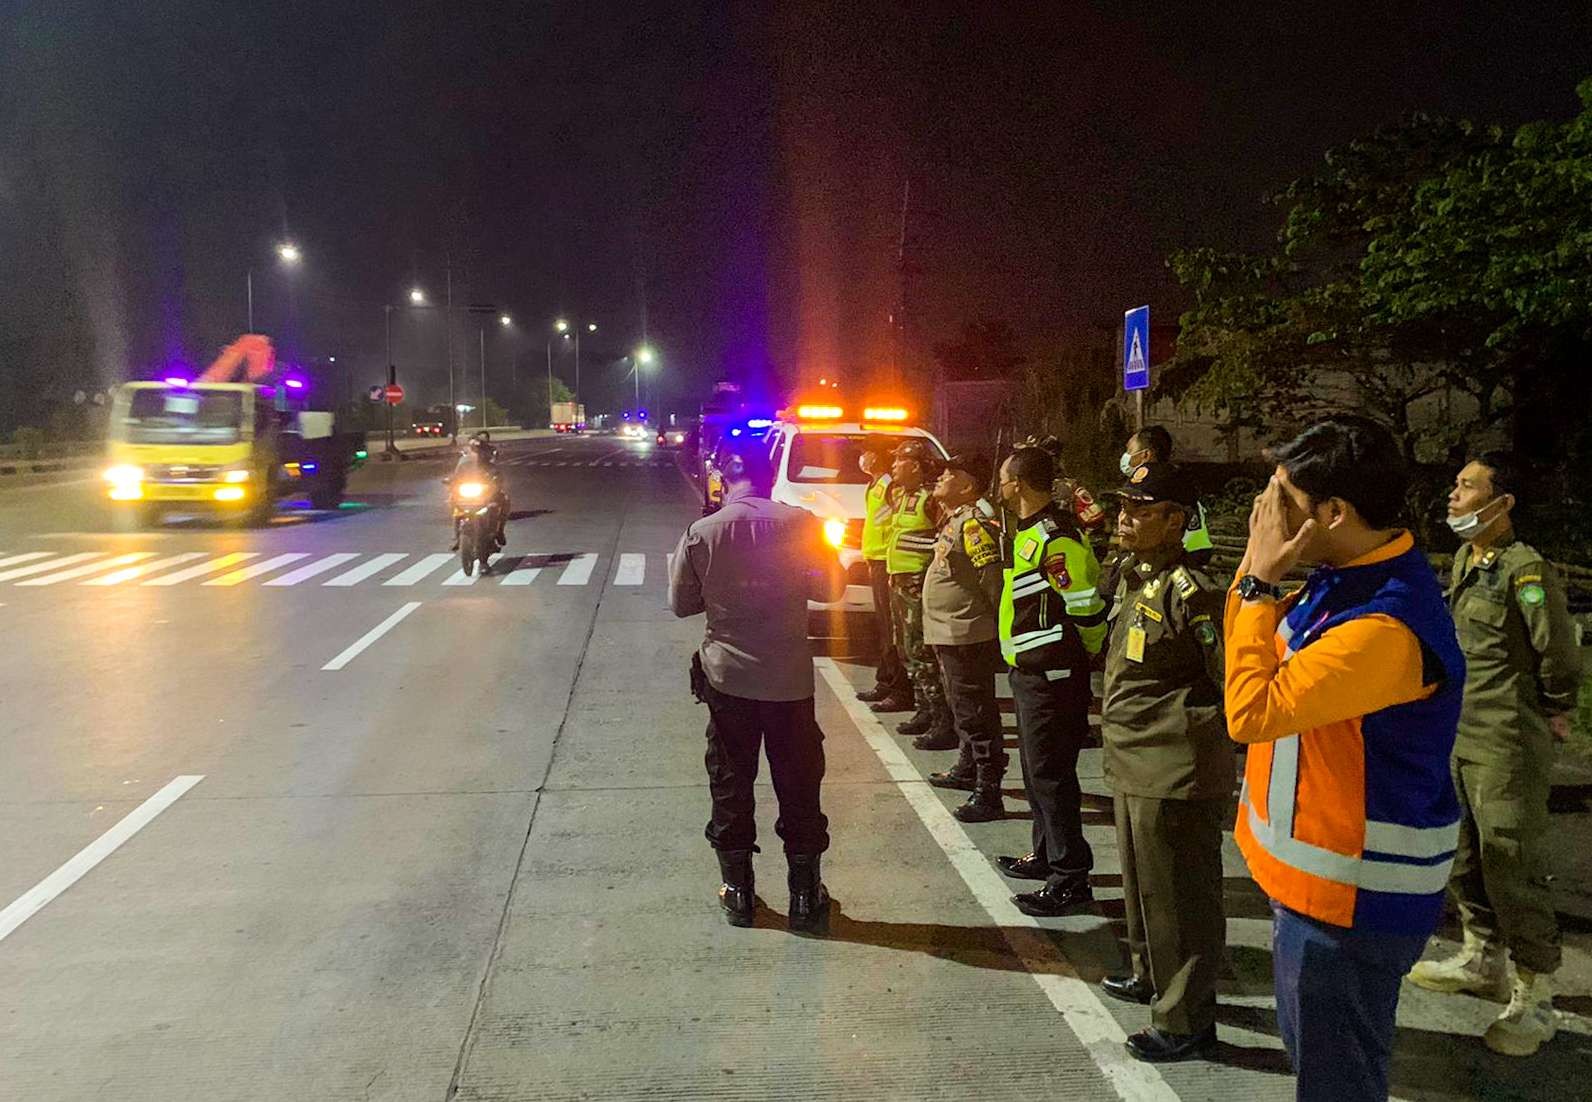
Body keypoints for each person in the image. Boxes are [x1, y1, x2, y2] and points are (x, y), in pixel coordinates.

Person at [1225, 416, 1465, 1102]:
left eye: (1284, 502)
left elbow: (1250, 712)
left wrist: (1257, 580)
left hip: (1353, 905)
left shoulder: (1383, 625)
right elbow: (1251, 644)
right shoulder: (1344, 575)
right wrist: (1257, 576)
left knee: (1338, 1086)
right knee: (1320, 1071)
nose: (1268, 517)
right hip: (1314, 890)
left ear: (1335, 512)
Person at [1407, 452, 1581, 1056]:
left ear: (1501, 502)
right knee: (1463, 853)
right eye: (1455, 483)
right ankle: (1484, 958)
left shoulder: (1524, 571)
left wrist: (1558, 706)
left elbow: (1556, 652)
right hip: (1458, 731)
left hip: (1505, 739)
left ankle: (1536, 994)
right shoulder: (1466, 559)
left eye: (1467, 486)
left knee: (1510, 857)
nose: (1453, 495)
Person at [667, 444, 847, 933]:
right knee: (799, 784)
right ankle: (806, 897)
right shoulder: (804, 525)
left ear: (725, 478)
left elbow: (681, 603)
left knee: (730, 782)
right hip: (789, 680)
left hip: (729, 681)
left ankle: (739, 893)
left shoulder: (702, 532)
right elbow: (832, 589)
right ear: (770, 477)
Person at [1096, 463, 1231, 1063]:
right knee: (1142, 886)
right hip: (1133, 754)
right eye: (1123, 505)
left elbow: (1228, 677)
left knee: (1180, 898)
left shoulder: (1193, 591)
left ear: (1176, 520)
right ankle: (1149, 974)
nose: (1124, 517)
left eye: (1141, 509)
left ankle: (1187, 1019)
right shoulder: (1132, 575)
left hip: (1173, 761)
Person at [993, 446, 1109, 916]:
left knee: (1052, 775)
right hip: (1030, 669)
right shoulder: (1028, 533)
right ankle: (1044, 855)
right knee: (1035, 771)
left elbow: (1084, 606)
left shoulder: (1055, 537)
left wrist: (1087, 650)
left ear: (1017, 483)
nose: (998, 486)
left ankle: (1070, 877)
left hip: (1055, 672)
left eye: (1003, 477)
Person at [921, 452, 1008, 820]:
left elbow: (992, 579)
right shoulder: (955, 519)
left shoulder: (973, 524)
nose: (941, 477)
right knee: (963, 708)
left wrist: (992, 623)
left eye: (950, 473)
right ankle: (967, 767)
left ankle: (989, 790)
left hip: (966, 631)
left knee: (976, 712)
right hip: (950, 630)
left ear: (968, 486)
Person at [876, 438, 951, 743]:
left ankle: (941, 718)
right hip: (899, 580)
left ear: (915, 466)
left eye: (898, 462)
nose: (893, 466)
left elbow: (944, 539)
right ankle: (923, 709)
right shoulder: (899, 495)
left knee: (922, 650)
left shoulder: (931, 499)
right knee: (907, 648)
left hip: (918, 583)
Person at [855, 437, 912, 709]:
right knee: (882, 627)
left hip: (887, 563)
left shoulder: (890, 486)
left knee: (891, 627)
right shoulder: (876, 484)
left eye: (867, 452)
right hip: (875, 560)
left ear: (877, 456)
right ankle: (886, 679)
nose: (864, 457)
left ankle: (899, 689)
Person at [1119, 425, 1213, 563]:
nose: (1124, 519)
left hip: (1182, 559)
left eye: (1129, 450)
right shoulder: (1178, 480)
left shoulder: (1174, 485)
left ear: (1145, 455)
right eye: (1123, 507)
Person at [449, 432, 508, 550]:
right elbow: (456, 476)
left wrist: (495, 483)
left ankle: (500, 531)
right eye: (473, 447)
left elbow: (497, 475)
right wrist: (451, 483)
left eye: (478, 447)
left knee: (504, 500)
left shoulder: (488, 460)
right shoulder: (463, 460)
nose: (475, 450)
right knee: (453, 501)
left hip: (485, 492)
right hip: (467, 491)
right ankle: (456, 536)